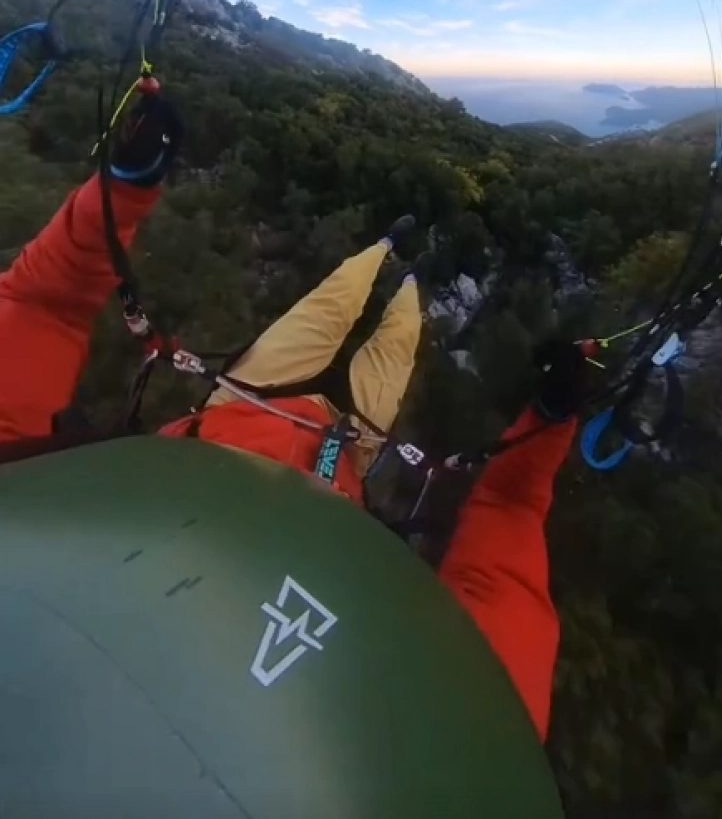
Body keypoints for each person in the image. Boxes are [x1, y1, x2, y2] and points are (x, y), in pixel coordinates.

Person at [0, 90, 586, 742]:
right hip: (344, 449)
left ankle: (387, 249)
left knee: (333, 297)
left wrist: (122, 189)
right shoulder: (470, 746)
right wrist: (553, 417)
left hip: (249, 400)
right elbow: (506, 535)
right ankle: (413, 276)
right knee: (396, 336)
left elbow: (35, 310)